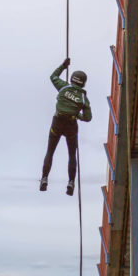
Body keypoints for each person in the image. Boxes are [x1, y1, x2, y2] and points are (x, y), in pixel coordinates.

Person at [40, 58, 91, 196]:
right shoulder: (83, 98)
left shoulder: (63, 87)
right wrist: (77, 115)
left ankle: (44, 178)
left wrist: (63, 65)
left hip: (57, 122)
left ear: (72, 79)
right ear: (83, 83)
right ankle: (71, 182)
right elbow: (88, 118)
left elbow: (53, 76)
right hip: (71, 125)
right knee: (71, 155)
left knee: (50, 151)